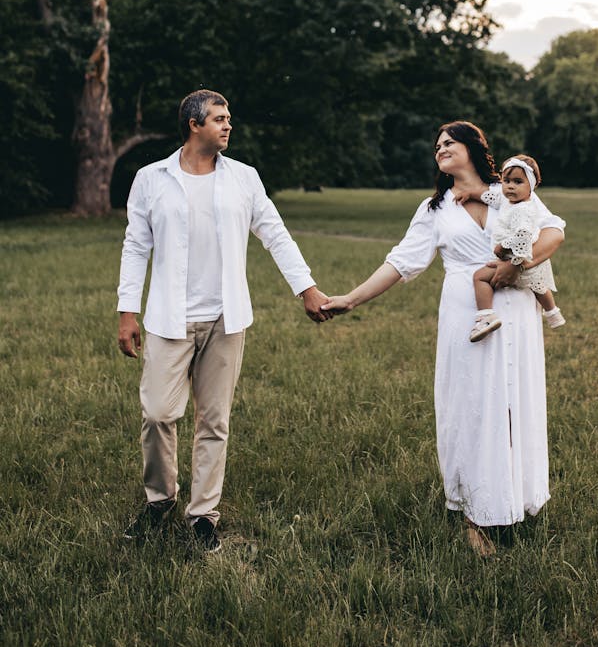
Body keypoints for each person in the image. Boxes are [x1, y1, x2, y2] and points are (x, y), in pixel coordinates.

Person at [322, 120, 565, 557]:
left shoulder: (508, 187)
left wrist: (518, 265)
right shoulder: (434, 209)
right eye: (437, 146)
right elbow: (399, 263)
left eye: (449, 143)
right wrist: (351, 299)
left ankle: (512, 499)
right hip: (465, 311)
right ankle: (475, 512)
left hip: (517, 312)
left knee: (512, 405)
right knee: (472, 408)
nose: (440, 149)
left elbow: (553, 231)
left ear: (472, 148)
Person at [117, 89, 330, 553]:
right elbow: (136, 247)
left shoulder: (244, 178)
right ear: (194, 125)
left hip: (225, 319)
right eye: (219, 118)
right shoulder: (151, 179)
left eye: (229, 117)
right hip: (168, 320)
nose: (228, 125)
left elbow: (275, 233)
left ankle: (202, 517)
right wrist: (126, 311)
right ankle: (160, 500)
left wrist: (306, 287)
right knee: (157, 414)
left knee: (215, 421)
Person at [469, 154, 566, 343]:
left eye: (518, 181)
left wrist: (502, 248)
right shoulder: (508, 200)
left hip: (516, 259)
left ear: (532, 185)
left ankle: (486, 316)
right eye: (506, 181)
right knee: (540, 285)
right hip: (530, 260)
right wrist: (471, 194)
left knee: (479, 277)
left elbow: (523, 236)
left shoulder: (523, 210)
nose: (510, 186)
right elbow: (493, 198)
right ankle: (553, 312)